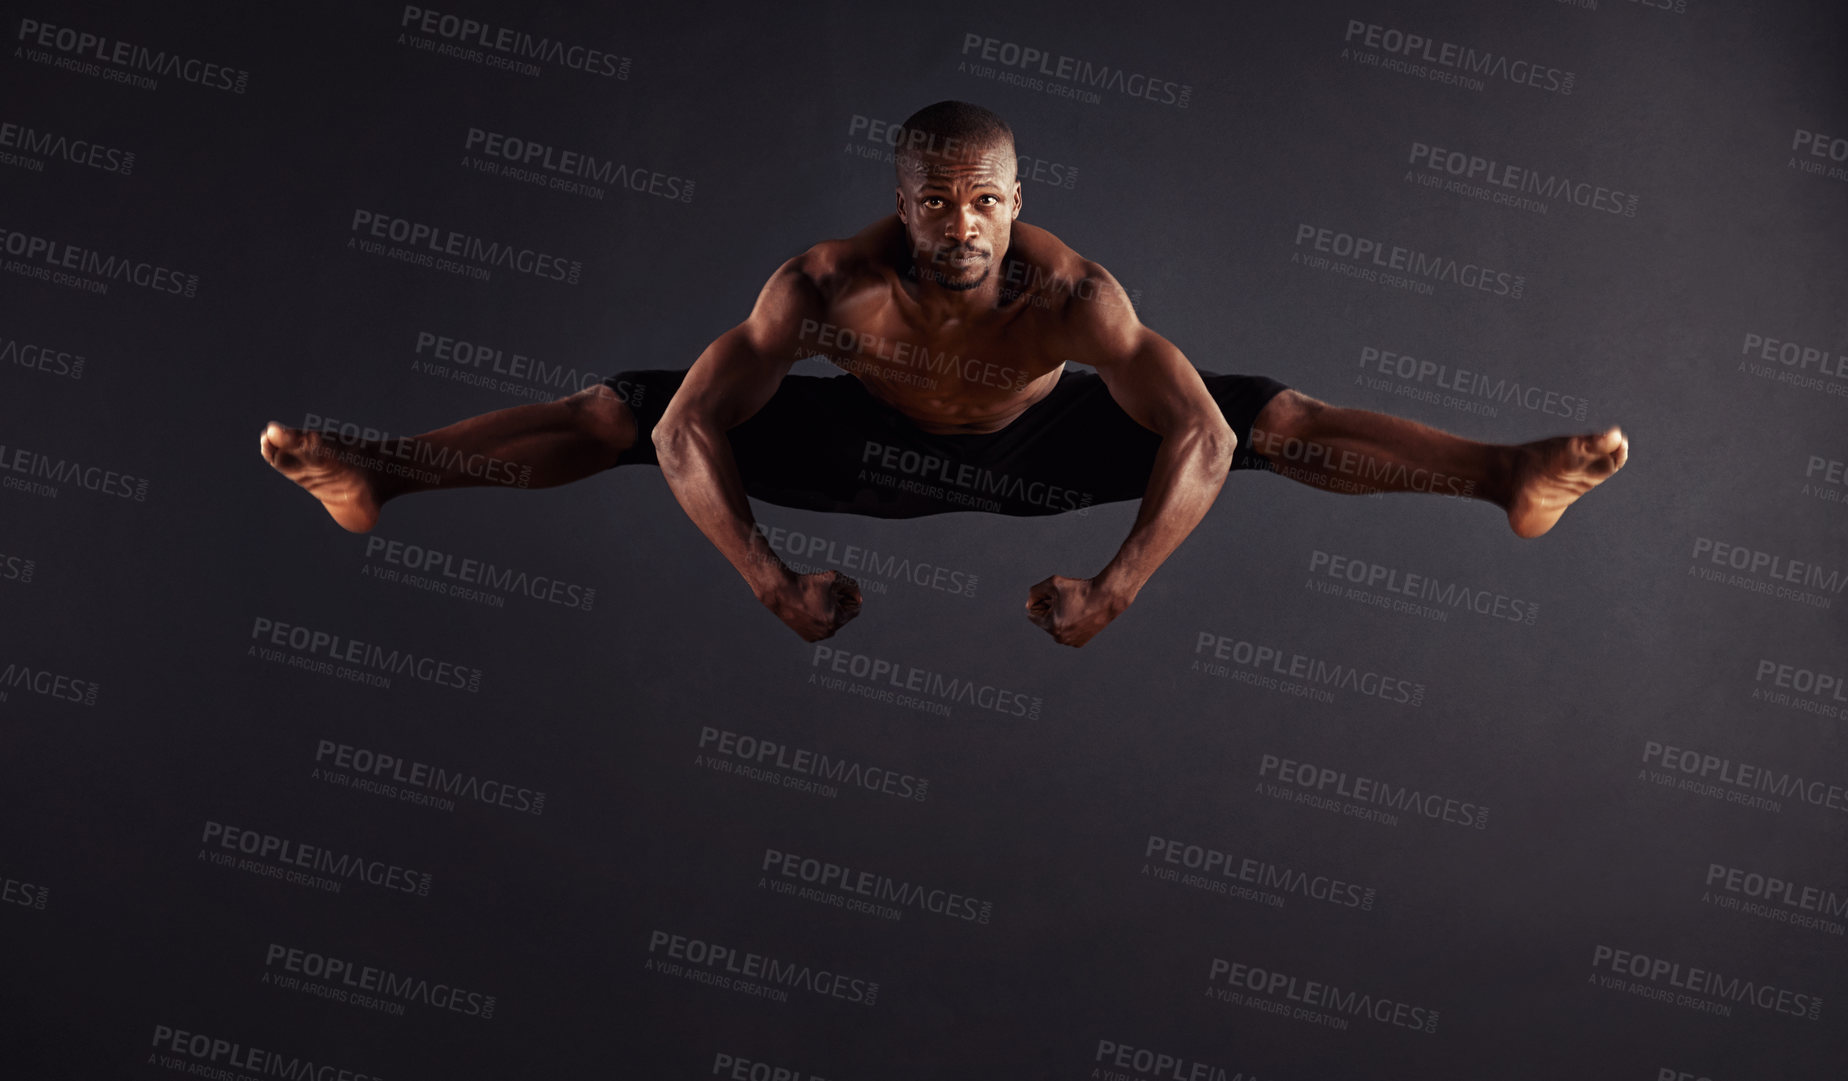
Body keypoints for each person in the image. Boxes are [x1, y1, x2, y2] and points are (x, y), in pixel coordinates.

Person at [260, 101, 1627, 648]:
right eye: (936, 203)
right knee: (617, 407)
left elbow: (1202, 441)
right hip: (859, 440)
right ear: (901, 204)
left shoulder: (1078, 298)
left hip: (1045, 451)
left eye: (984, 201)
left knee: (1276, 417)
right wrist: (771, 579)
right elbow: (684, 435)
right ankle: (386, 470)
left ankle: (1506, 473)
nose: (961, 224)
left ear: (1017, 195)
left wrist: (1116, 587)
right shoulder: (820, 289)